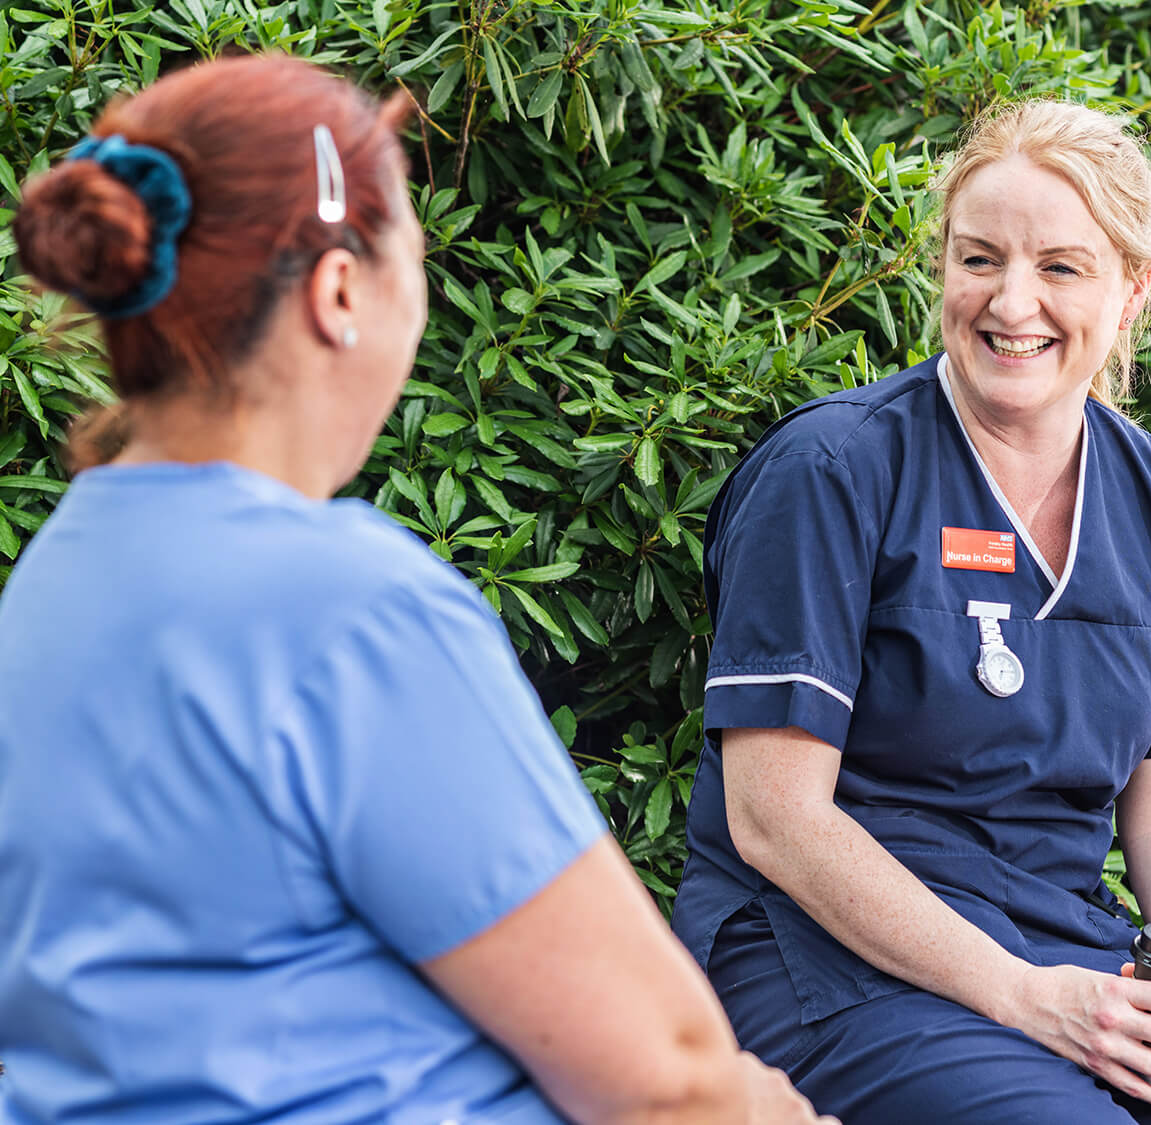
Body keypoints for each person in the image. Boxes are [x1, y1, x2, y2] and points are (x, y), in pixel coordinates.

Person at [0, 54, 833, 1125]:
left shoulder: (57, 573)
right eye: (417, 253)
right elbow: (667, 1081)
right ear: (340, 289)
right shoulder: (351, 611)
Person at [671, 99, 1151, 1123]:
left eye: (1060, 266)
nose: (1012, 304)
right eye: (978, 259)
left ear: (1132, 288)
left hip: (1060, 948)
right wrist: (1025, 998)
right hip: (825, 963)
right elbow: (775, 820)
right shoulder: (833, 470)